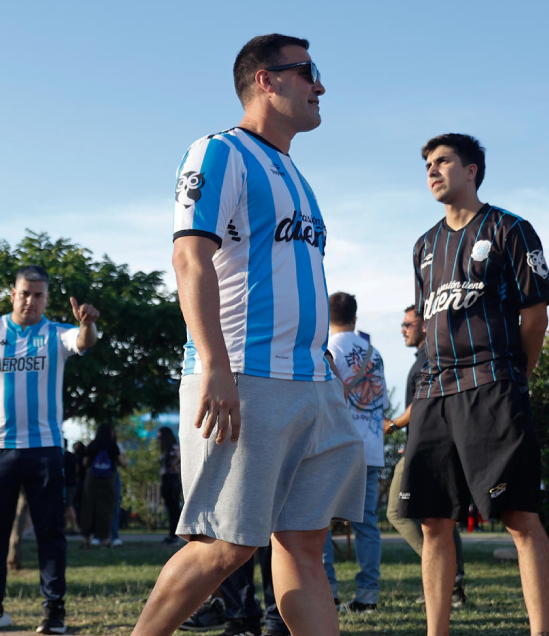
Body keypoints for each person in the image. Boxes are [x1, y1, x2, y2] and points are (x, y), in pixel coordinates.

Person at [132, 34, 365, 636]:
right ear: (266, 80)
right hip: (245, 375)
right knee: (224, 546)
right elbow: (189, 260)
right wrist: (214, 366)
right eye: (308, 72)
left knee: (303, 546)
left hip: (312, 383)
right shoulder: (218, 152)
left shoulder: (294, 172)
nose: (321, 86)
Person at [401, 133, 549, 636]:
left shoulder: (511, 229)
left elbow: (535, 318)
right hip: (433, 394)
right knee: (431, 522)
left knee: (519, 517)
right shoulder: (424, 246)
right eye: (427, 163)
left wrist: (516, 375)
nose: (432, 170)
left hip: (493, 384)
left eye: (443, 161)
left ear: (472, 170)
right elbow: (427, 325)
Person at [0, 265, 100, 634]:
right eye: (25, 293)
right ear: (12, 294)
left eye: (39, 294)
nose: (31, 300)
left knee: (50, 533)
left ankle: (54, 611)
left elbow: (84, 342)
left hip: (44, 450)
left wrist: (88, 322)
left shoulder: (57, 333)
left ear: (47, 298)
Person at [383, 305, 467, 606]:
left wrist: (393, 424)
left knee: (397, 512)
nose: (403, 329)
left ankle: (450, 575)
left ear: (425, 325)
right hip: (428, 444)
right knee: (440, 516)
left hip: (426, 447)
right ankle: (452, 585)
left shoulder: (430, 359)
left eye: (408, 324)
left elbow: (420, 405)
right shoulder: (429, 357)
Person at [325, 292, 387, 613]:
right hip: (372, 448)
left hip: (337, 445)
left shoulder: (329, 349)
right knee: (367, 525)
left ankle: (327, 592)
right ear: (355, 316)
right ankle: (367, 596)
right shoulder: (374, 353)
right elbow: (382, 403)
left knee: (317, 520)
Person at [80, 423, 124, 548]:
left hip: (92, 480)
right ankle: (104, 539)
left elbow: (85, 462)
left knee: (89, 508)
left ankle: (86, 539)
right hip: (108, 480)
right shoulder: (113, 446)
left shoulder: (92, 445)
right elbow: (121, 462)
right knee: (105, 509)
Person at [157, 427, 182, 545]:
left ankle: (174, 535)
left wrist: (172, 467)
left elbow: (180, 457)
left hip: (172, 480)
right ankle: (171, 534)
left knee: (174, 509)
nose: (159, 440)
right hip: (166, 479)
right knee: (170, 508)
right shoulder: (165, 450)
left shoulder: (173, 448)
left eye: (160, 437)